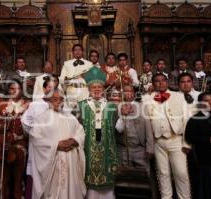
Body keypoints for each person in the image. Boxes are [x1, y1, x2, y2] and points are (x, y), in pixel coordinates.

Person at [24, 89, 86, 199]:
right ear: (48, 101)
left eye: (61, 99)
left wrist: (74, 140)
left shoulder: (70, 117)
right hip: (53, 160)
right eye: (55, 99)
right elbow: (37, 139)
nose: (59, 102)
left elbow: (80, 131)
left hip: (71, 159)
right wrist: (56, 145)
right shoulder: (41, 118)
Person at [143, 73, 191, 199]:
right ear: (153, 84)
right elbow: (147, 124)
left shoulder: (178, 96)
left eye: (163, 80)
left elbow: (186, 120)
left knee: (181, 173)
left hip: (176, 140)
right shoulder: (147, 99)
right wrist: (150, 146)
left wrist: (187, 143)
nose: (161, 83)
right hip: (158, 141)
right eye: (157, 81)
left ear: (167, 82)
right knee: (162, 174)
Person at [78, 66, 119, 199]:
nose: (96, 89)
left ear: (103, 89)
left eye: (99, 87)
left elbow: (119, 128)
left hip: (107, 148)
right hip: (87, 148)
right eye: (93, 87)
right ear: (89, 89)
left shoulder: (111, 106)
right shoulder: (81, 105)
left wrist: (124, 116)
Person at [0, 80, 29, 199]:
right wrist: (5, 122)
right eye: (12, 89)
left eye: (17, 89)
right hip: (5, 143)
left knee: (19, 177)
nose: (14, 91)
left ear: (22, 91)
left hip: (21, 143)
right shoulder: (2, 105)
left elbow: (31, 128)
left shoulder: (27, 105)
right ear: (8, 91)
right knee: (4, 177)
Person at [115, 85, 151, 172]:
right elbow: (118, 129)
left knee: (145, 175)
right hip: (124, 149)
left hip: (140, 149)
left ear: (134, 93)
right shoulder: (117, 107)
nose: (128, 93)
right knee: (126, 176)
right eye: (126, 91)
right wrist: (123, 115)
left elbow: (148, 129)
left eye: (130, 91)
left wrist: (150, 148)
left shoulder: (143, 107)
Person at [59, 44, 93, 108]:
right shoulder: (66, 63)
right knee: (71, 114)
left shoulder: (89, 64)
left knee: (84, 112)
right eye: (75, 50)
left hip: (85, 92)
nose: (77, 51)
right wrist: (65, 80)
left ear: (82, 52)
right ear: (73, 52)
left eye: (79, 50)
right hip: (71, 92)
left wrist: (85, 76)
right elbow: (61, 79)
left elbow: (92, 80)